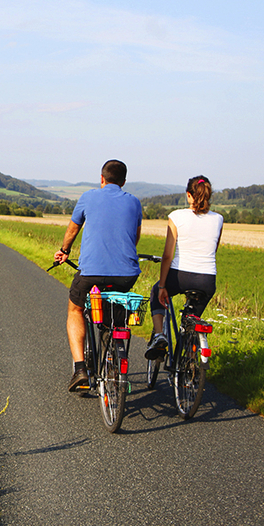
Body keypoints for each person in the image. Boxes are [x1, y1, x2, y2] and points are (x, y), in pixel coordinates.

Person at [54, 160, 144, 392]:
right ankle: (114, 350)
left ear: (101, 179)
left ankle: (80, 369)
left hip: (91, 273)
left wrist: (64, 251)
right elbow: (134, 238)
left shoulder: (88, 197)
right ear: (124, 182)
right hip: (126, 274)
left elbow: (73, 229)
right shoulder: (134, 202)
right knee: (114, 311)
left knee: (75, 310)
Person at [145, 176, 223, 359]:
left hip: (180, 276)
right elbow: (213, 250)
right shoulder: (218, 219)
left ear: (189, 195)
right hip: (207, 280)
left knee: (156, 291)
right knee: (192, 319)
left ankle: (159, 335)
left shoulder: (176, 216)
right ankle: (188, 357)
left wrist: (163, 285)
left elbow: (167, 255)